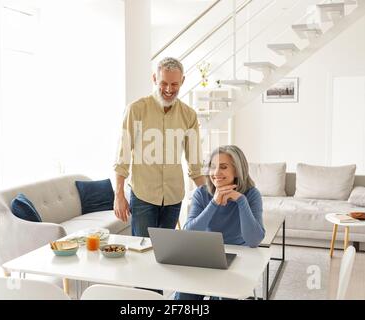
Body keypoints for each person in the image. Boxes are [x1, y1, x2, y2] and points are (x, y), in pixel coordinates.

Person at [113, 57, 205, 237]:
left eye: (174, 84)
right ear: (154, 79)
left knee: (166, 254)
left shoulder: (189, 115)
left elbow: (194, 162)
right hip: (143, 196)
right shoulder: (136, 110)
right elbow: (122, 157)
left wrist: (209, 197)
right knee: (142, 252)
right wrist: (118, 195)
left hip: (173, 197)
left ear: (182, 81)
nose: (169, 90)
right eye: (163, 83)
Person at [174, 145, 265, 300]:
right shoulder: (201, 193)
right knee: (184, 296)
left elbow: (254, 240)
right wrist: (214, 202)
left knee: (223, 295)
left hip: (238, 257)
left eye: (223, 167)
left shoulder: (251, 195)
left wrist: (241, 201)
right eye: (213, 167)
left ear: (237, 170)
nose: (216, 173)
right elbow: (188, 234)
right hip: (205, 256)